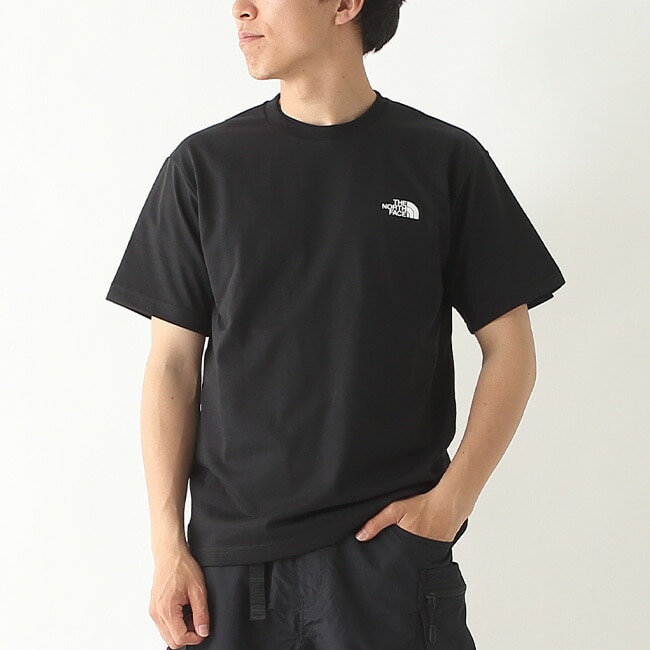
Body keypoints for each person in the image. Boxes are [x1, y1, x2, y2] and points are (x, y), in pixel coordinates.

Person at [105, 1, 566, 648]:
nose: (239, 9)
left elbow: (510, 346)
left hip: (386, 561)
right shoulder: (204, 168)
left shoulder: (443, 160)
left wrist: (451, 503)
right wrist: (166, 547)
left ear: (346, 5)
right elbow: (172, 367)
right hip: (230, 572)